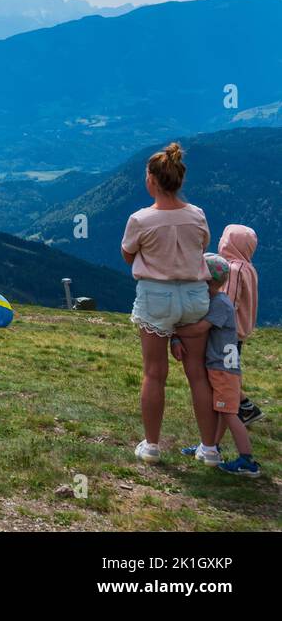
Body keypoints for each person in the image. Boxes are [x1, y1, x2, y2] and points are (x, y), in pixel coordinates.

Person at [121, 142, 218, 464]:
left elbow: (128, 254)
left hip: (156, 296)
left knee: (154, 373)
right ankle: (209, 448)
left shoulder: (140, 219)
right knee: (198, 375)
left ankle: (151, 446)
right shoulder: (197, 215)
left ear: (152, 180)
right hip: (194, 296)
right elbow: (201, 246)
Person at [174, 255, 262, 477]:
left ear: (207, 281)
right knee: (223, 410)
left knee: (230, 413)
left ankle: (247, 460)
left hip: (223, 368)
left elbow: (199, 329)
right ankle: (210, 445)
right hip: (223, 366)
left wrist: (173, 333)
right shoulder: (219, 301)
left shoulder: (220, 304)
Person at [218, 224, 263, 426]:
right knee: (230, 369)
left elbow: (228, 302)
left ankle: (240, 409)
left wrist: (212, 323)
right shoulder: (249, 268)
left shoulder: (233, 269)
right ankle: (241, 406)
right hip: (239, 331)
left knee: (224, 372)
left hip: (228, 331)